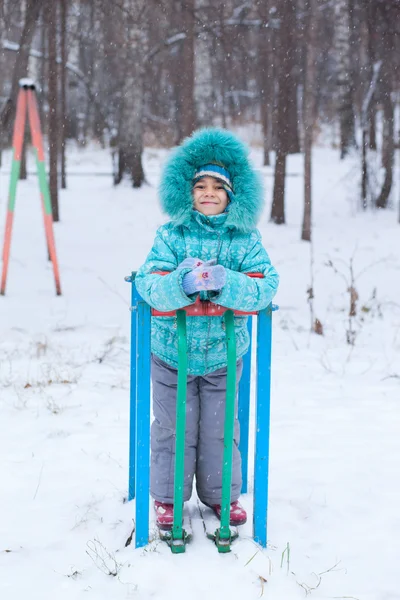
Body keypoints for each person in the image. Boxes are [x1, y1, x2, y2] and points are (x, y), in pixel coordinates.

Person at [135, 128, 279, 530]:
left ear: (233, 194)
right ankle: (167, 498)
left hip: (223, 353)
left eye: (219, 186)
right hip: (170, 354)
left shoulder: (245, 239)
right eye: (201, 185)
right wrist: (180, 285)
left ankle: (220, 497)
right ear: (188, 191)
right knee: (172, 428)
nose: (209, 192)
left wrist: (226, 282)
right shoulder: (171, 235)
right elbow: (148, 285)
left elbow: (265, 286)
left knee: (219, 428)